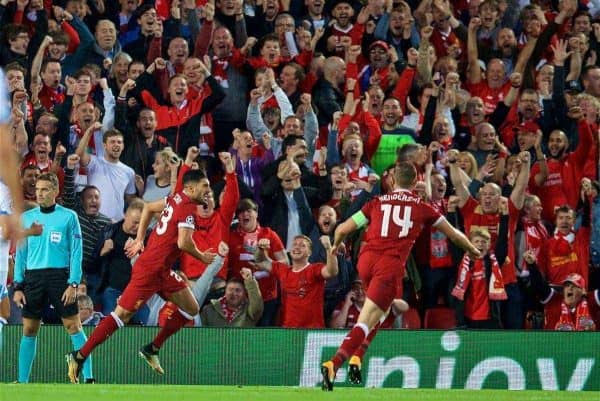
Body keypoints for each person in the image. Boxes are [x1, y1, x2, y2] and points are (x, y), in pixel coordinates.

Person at [320, 162, 481, 391]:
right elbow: (454, 235)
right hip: (390, 265)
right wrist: (472, 250)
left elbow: (343, 229)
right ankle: (333, 364)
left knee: (382, 310)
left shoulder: (376, 203)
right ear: (415, 183)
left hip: (365, 261)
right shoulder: (423, 207)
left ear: (393, 181)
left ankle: (357, 359)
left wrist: (336, 246)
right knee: (367, 319)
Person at [66, 170, 221, 383]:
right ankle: (79, 355)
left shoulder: (175, 198)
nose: (208, 191)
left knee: (192, 308)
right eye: (204, 187)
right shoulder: (187, 210)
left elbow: (147, 206)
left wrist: (140, 239)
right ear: (191, 188)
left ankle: (152, 348)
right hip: (149, 270)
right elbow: (183, 243)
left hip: (163, 271)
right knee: (121, 316)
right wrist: (202, 256)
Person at [12, 172, 94, 383]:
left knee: (74, 326)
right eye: (37, 190)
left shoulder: (69, 216)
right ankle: (22, 383)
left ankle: (89, 378)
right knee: (29, 329)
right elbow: (21, 253)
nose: (39, 194)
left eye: (45, 189)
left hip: (60, 277)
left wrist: (73, 283)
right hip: (33, 278)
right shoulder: (27, 218)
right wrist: (18, 286)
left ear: (56, 192)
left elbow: (77, 251)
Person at [253, 234, 338, 328]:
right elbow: (260, 261)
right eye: (294, 244)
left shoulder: (314, 270)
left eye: (302, 245)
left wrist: (328, 248)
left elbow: (332, 272)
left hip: (312, 331)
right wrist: (260, 248)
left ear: (309, 252)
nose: (297, 247)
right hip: (288, 330)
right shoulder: (283, 270)